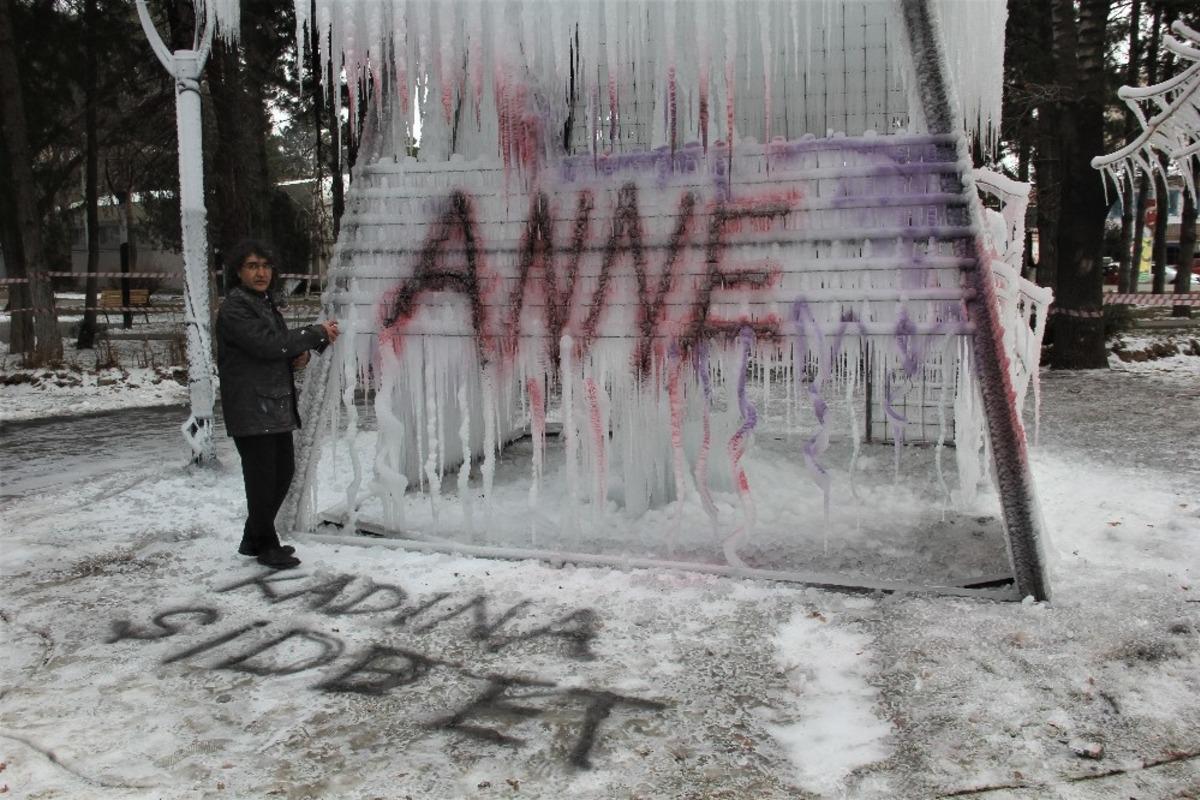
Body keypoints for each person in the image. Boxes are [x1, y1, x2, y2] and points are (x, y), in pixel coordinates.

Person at [216, 239, 339, 569]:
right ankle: (265, 545)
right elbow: (267, 345)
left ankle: (253, 537)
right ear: (238, 272)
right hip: (251, 406)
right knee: (261, 479)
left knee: (282, 472)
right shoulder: (236, 308)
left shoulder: (264, 303)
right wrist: (316, 333)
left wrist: (295, 358)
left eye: (265, 266)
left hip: (273, 404)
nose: (260, 272)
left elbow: (273, 350)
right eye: (252, 266)